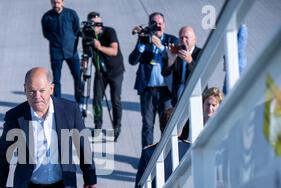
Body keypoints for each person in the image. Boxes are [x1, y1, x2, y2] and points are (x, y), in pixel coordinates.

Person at [129, 12, 178, 149]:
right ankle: (147, 156)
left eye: (160, 23)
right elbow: (132, 61)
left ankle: (167, 153)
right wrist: (140, 46)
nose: (157, 26)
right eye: (154, 24)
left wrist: (161, 47)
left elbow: (174, 58)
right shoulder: (145, 39)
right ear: (149, 25)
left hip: (165, 91)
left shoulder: (171, 40)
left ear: (164, 24)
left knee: (168, 124)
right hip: (147, 90)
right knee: (147, 125)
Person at [133, 107, 190, 188]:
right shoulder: (189, 148)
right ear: (180, 128)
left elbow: (140, 185)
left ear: (161, 127)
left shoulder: (149, 152)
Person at [85, 11, 125, 141]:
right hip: (100, 72)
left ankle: (117, 125)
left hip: (115, 71)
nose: (98, 26)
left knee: (115, 100)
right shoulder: (88, 35)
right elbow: (87, 53)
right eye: (94, 24)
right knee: (97, 99)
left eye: (99, 24)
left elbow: (114, 51)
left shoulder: (109, 32)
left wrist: (99, 46)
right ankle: (97, 125)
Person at [162, 26, 202, 140]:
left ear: (194, 39)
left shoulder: (201, 53)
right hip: (178, 100)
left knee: (193, 133)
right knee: (179, 133)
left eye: (186, 37)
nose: (184, 40)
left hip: (194, 100)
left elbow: (202, 75)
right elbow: (165, 73)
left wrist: (190, 61)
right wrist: (170, 59)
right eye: (181, 37)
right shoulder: (177, 53)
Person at [42, 0, 82, 103]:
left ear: (62, 2)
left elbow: (76, 29)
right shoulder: (47, 17)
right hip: (56, 53)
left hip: (71, 52)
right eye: (54, 2)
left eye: (58, 2)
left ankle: (80, 102)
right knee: (56, 80)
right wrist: (56, 41)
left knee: (78, 77)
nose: (56, 5)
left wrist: (70, 42)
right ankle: (58, 103)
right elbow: (46, 34)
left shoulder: (71, 14)